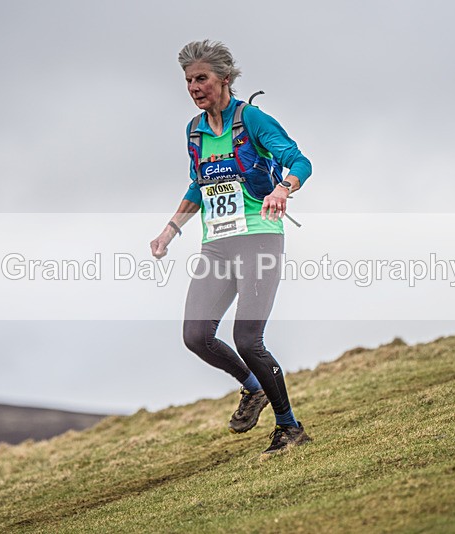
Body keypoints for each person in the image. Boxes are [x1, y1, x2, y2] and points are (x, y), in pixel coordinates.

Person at [150, 40, 312, 454]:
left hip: (259, 238)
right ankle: (253, 388)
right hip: (217, 247)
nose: (193, 87)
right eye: (188, 81)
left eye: (200, 78)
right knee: (196, 335)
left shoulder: (252, 120)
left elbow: (299, 162)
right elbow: (197, 185)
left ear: (224, 79)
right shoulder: (194, 131)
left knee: (247, 339)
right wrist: (171, 230)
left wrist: (282, 188)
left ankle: (289, 427)